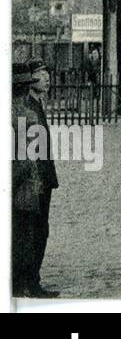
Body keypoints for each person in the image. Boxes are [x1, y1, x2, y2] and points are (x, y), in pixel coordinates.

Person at [12, 61, 60, 297]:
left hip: (40, 178)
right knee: (30, 232)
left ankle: (30, 281)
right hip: (31, 181)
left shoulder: (35, 106)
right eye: (41, 74)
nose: (47, 78)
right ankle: (27, 283)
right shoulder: (25, 110)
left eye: (47, 73)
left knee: (38, 231)